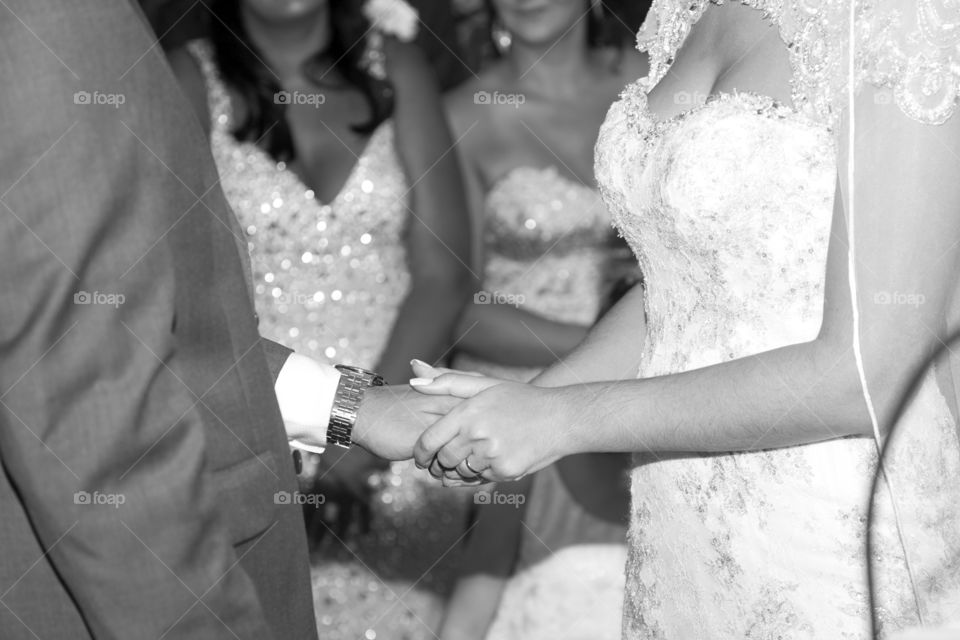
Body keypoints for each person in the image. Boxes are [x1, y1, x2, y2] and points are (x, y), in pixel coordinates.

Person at [411, 0, 960, 637]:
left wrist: (564, 419)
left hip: (833, 522)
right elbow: (688, 290)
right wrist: (522, 406)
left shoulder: (900, 16)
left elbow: (866, 370)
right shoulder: (684, 11)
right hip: (676, 519)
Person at [0, 1, 454, 638]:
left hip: (347, 411)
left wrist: (356, 407)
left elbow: (143, 324)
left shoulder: (394, 67)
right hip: (171, 526)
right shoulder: (63, 20)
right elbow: (88, 376)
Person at [167, 1, 476, 637]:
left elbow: (444, 274)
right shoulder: (184, 79)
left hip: (401, 425)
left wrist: (366, 431)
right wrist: (319, 436)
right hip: (255, 426)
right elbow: (177, 284)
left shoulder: (396, 67)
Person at [439, 1, 646, 637]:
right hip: (514, 389)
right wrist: (606, 351)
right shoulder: (464, 114)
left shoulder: (654, 84)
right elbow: (456, 305)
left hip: (655, 392)